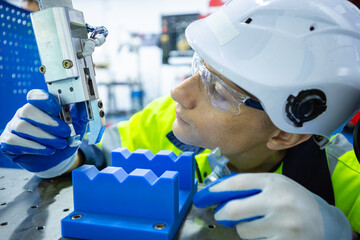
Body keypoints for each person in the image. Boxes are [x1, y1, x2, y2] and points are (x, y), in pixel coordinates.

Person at [1, 0, 360, 239]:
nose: (179, 93)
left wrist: (339, 234)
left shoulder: (349, 183)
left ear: (284, 135)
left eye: (218, 90)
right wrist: (62, 158)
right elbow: (102, 156)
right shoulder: (167, 121)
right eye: (198, 66)